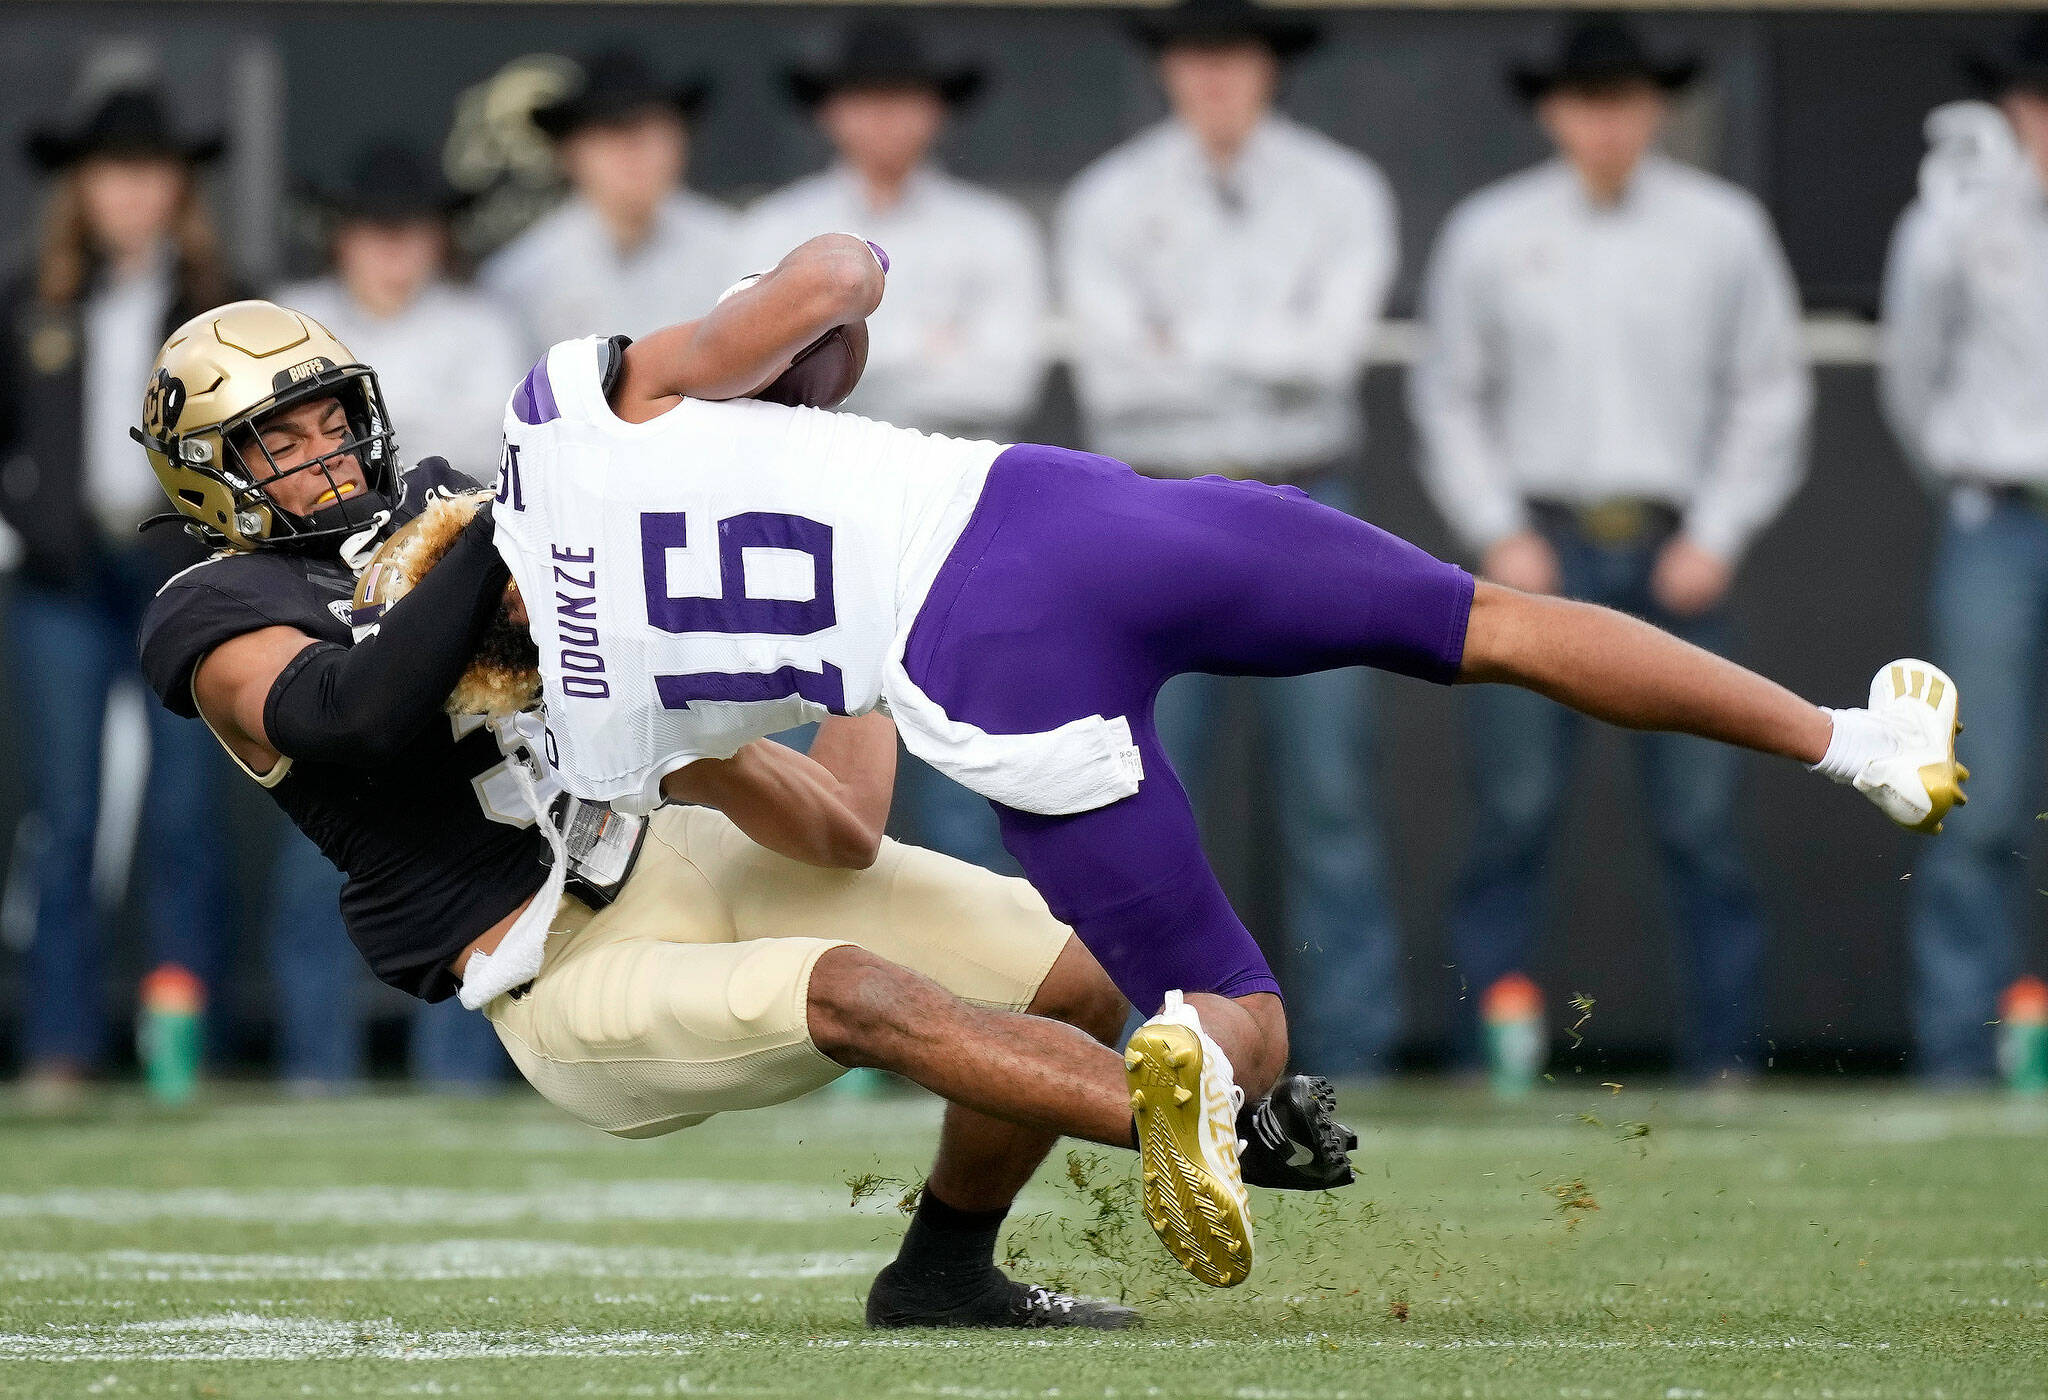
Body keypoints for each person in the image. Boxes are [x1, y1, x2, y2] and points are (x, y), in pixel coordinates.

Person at [481, 232, 1962, 1280]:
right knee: (1490, 620)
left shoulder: (610, 720)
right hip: (1053, 524)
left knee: (1232, 999)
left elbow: (848, 830)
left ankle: (1188, 1050)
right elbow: (834, 277)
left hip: (978, 684)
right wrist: (808, 332)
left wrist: (829, 664)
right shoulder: (565, 411)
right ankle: (1855, 741)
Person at [131, 300, 1355, 1320]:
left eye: (328, 417)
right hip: (553, 961)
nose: (324, 453)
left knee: (1076, 973)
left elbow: (654, 565)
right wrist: (516, 522)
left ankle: (939, 1272)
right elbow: (351, 713)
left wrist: (791, 473)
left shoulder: (442, 504)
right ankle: (1219, 1132)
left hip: (668, 830)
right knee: (860, 990)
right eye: (275, 440)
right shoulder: (211, 612)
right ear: (211, 476)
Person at [1409, 14, 1813, 1080]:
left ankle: (1725, 1056)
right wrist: (1497, 526)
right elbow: (1448, 392)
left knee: (1701, 823)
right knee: (1510, 814)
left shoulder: (1721, 229)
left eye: (1624, 99)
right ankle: (1486, 1051)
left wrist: (1718, 531)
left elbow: (1768, 389)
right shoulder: (1489, 232)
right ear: (1551, 108)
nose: (1604, 122)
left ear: (1655, 106)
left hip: (1674, 553)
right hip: (1535, 553)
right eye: (1585, 100)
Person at [1055, 0, 1404, 1076]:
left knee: (1331, 788)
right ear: (1166, 69)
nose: (1213, 78)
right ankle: (1157, 1047)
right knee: (1140, 785)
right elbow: (1112, 371)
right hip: (1158, 503)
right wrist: (1265, 344)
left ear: (1268, 68)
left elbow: (1331, 352)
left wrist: (1185, 345)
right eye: (1193, 56)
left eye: (1233, 56)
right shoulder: (1108, 196)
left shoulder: (1341, 189)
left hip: (1303, 499)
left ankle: (1354, 1049)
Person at [738, 16, 1049, 877]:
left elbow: (1004, 381)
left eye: (903, 101)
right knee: (804, 778)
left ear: (936, 112)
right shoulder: (772, 225)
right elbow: (748, 385)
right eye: (865, 101)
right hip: (806, 530)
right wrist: (933, 345)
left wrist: (845, 348)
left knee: (969, 780)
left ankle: (993, 1001)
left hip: (957, 526)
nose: (884, 121)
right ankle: (808, 1000)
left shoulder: (995, 230)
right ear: (832, 113)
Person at [0, 83, 237, 1102]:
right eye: (110, 171)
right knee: (66, 814)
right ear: (83, 186)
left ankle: (176, 1045)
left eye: (147, 170)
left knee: (184, 814)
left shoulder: (227, 308)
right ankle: (59, 1042)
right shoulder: (33, 300)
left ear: (175, 183)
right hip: (61, 578)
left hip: (175, 580)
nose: (130, 191)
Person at [276, 140, 527, 1090]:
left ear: (438, 238)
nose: (392, 250)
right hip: (318, 596)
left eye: (411, 230)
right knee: (325, 837)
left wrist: (352, 455)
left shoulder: (481, 321)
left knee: (466, 831)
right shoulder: (294, 327)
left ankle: (460, 1073)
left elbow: (478, 451)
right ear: (341, 236)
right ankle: (312, 1066)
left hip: (450, 598)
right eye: (373, 230)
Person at [1881, 16, 2048, 1083]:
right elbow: (1910, 370)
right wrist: (1968, 473)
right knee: (1965, 783)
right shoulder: (1950, 216)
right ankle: (1956, 1049)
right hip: (1999, 515)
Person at [479, 50, 735, 359]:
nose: (630, 155)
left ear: (681, 142)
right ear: (569, 155)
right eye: (607, 137)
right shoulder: (520, 277)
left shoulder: (739, 250)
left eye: (647, 133)